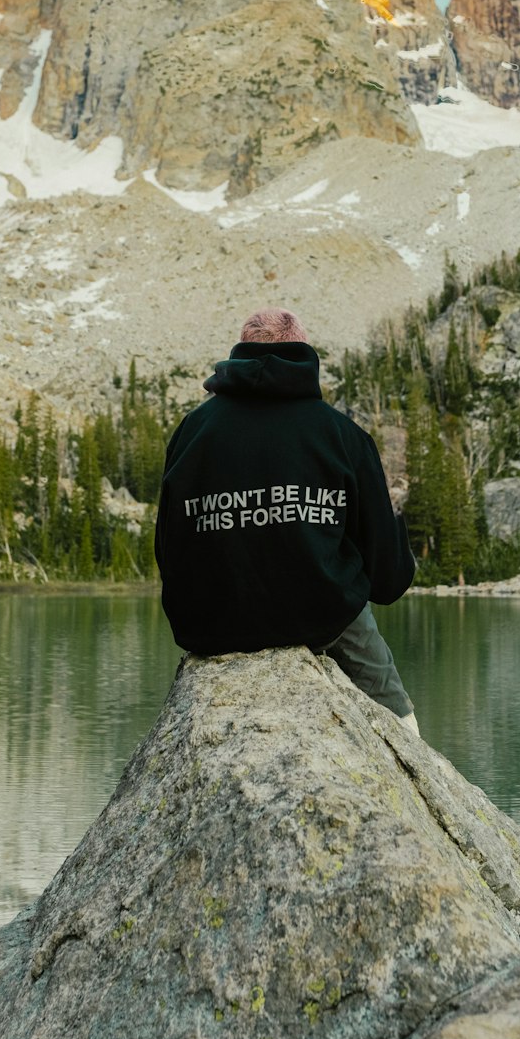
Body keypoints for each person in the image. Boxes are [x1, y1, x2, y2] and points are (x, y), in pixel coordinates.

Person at [155, 307, 419, 733]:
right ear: (303, 352)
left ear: (238, 355)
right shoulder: (341, 435)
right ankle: (413, 763)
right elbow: (388, 581)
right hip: (320, 616)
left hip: (211, 626)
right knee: (394, 706)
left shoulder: (191, 432)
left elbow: (168, 549)